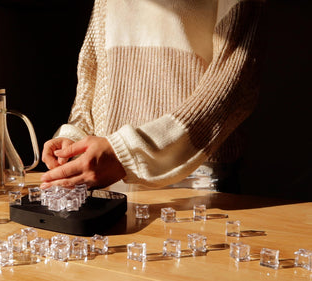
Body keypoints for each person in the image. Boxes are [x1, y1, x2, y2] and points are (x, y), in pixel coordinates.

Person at [40, 0, 267, 192]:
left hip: (193, 175)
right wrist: (77, 137)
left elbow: (233, 80)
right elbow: (93, 68)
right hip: (106, 173)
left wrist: (126, 152)